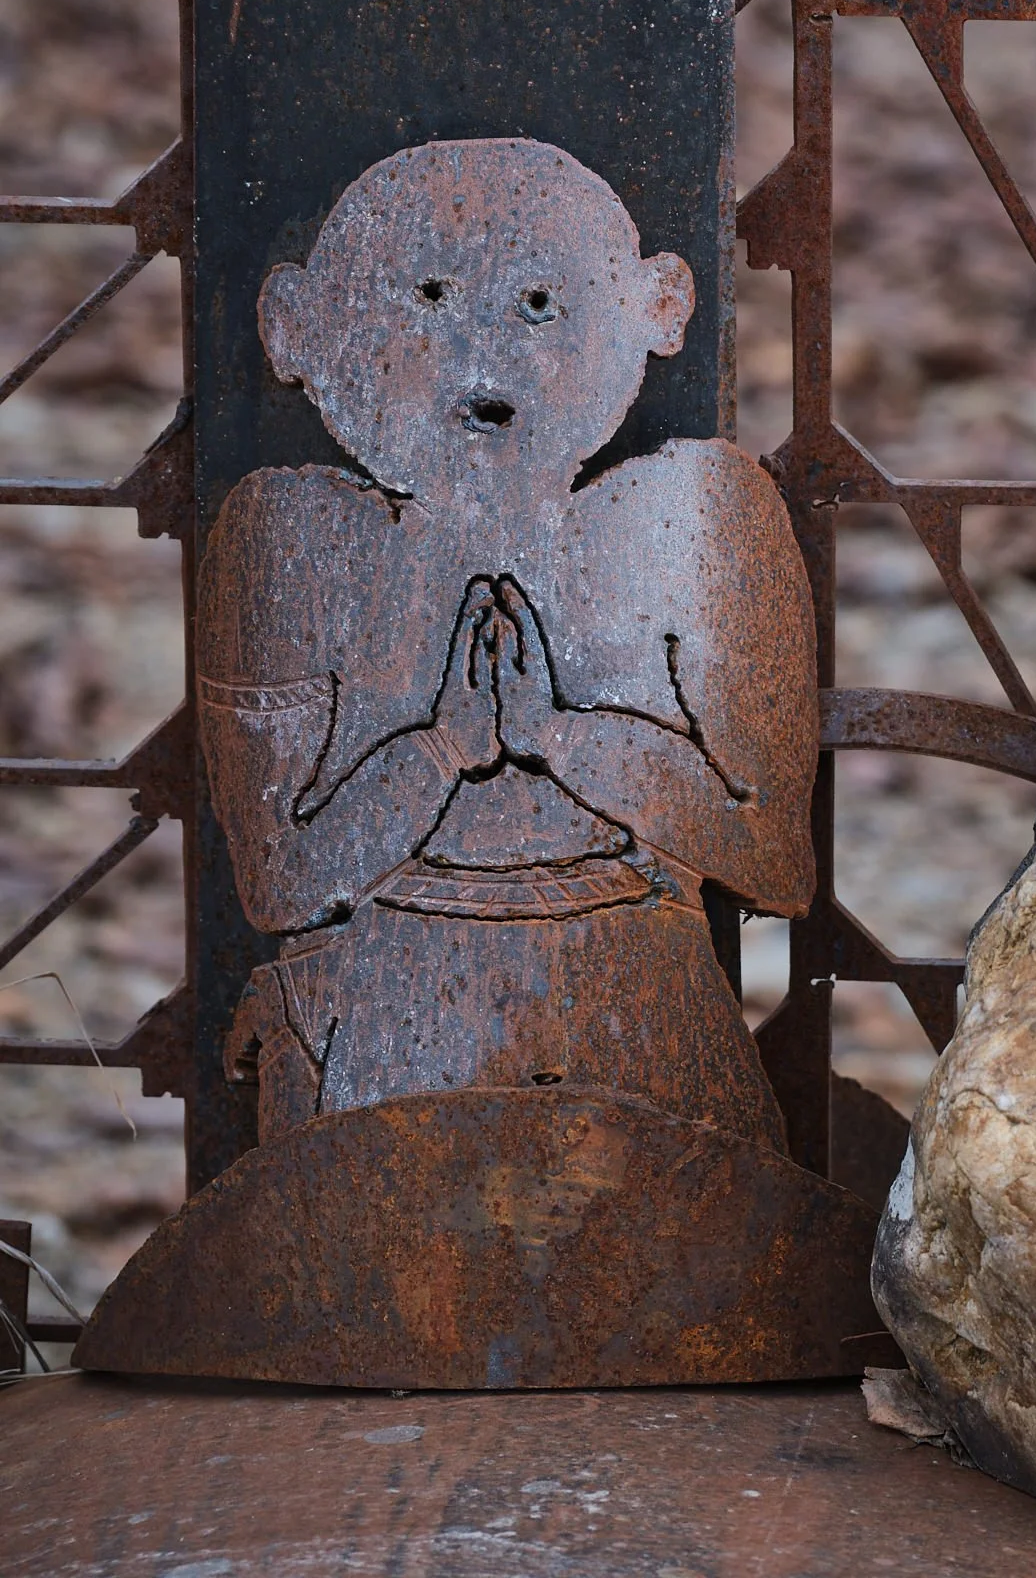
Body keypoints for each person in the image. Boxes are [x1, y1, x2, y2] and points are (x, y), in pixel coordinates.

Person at [197, 138, 817, 1143]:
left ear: (657, 309)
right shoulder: (291, 538)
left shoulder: (697, 517)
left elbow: (775, 857)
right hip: (385, 1014)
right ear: (297, 327)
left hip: (638, 999)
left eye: (537, 304)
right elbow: (280, 879)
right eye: (429, 301)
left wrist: (564, 738)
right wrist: (440, 748)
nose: (480, 354)